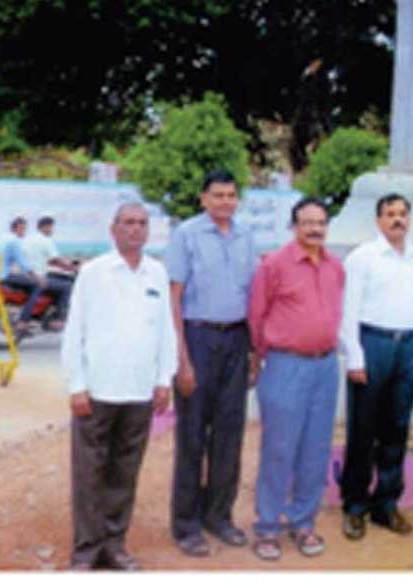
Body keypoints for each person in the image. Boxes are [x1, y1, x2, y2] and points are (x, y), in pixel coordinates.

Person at [61, 202, 176, 571]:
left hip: (140, 392)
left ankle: (115, 544)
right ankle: (86, 550)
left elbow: (165, 332)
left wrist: (163, 380)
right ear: (113, 230)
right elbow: (74, 331)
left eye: (142, 223)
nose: (135, 229)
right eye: (128, 223)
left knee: (125, 472)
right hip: (97, 391)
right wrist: (77, 385)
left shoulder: (156, 273)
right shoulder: (94, 273)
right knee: (89, 473)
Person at [166, 169, 258, 556]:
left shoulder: (245, 235)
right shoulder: (186, 235)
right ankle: (186, 524)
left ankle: (219, 516)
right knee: (192, 436)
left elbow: (253, 295)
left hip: (236, 339)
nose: (225, 202)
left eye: (231, 195)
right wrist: (181, 358)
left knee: (229, 433)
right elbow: (174, 296)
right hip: (198, 337)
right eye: (217, 195)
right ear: (203, 199)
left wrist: (253, 350)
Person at [248, 197, 345, 562]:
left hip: (325, 367)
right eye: (307, 223)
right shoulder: (274, 265)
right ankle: (269, 526)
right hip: (286, 365)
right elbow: (257, 317)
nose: (315, 229)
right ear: (294, 226)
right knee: (279, 449)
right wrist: (264, 355)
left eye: (320, 223)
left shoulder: (336, 267)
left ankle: (304, 522)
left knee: (316, 449)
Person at [339, 192, 413, 540]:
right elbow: (348, 310)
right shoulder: (363, 258)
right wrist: (356, 357)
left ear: (410, 220)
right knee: (364, 431)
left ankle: (386, 503)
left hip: (406, 346)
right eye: (390, 214)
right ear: (378, 221)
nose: (397, 220)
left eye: (403, 214)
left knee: (397, 429)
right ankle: (355, 506)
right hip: (372, 343)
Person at [22, 216, 79, 327]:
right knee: (68, 286)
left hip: (27, 276)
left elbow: (47, 260)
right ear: (45, 227)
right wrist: (72, 268)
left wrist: (64, 264)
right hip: (39, 277)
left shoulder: (28, 239)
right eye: (51, 227)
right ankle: (60, 318)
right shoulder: (45, 241)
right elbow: (56, 260)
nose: (52, 230)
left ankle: (51, 310)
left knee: (58, 278)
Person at [0, 216, 44, 328]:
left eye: (24, 229)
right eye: (21, 229)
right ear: (14, 229)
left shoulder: (3, 238)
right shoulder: (14, 241)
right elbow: (23, 263)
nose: (23, 231)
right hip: (4, 276)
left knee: (24, 279)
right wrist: (37, 277)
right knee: (37, 285)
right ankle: (24, 320)